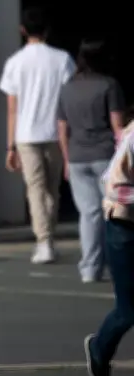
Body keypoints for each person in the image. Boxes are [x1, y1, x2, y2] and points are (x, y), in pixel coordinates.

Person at [0, 7, 76, 264]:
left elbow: (12, 108)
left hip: (25, 133)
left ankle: (43, 241)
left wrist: (9, 146)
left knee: (35, 188)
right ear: (48, 30)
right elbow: (71, 98)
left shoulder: (15, 62)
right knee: (52, 188)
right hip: (56, 131)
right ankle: (48, 236)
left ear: (23, 30)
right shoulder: (63, 59)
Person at [57, 40, 126, 283]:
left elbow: (62, 129)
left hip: (77, 156)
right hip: (105, 154)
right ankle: (115, 264)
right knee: (114, 213)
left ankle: (89, 267)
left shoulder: (67, 88)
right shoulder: (109, 85)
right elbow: (118, 127)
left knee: (89, 214)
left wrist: (66, 159)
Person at [83, 118, 133, 376]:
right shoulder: (133, 138)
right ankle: (99, 348)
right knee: (128, 310)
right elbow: (113, 186)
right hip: (124, 226)